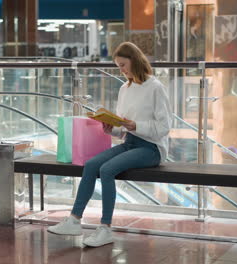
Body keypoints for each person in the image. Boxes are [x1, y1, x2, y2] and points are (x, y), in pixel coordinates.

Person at [48, 42, 172, 247]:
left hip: (151, 148)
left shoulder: (155, 87)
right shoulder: (125, 88)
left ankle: (105, 228)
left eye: (123, 65)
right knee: (90, 165)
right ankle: (74, 220)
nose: (121, 70)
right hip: (130, 143)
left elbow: (165, 127)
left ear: (135, 61)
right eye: (118, 66)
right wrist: (111, 128)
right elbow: (123, 128)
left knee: (107, 169)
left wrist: (135, 125)